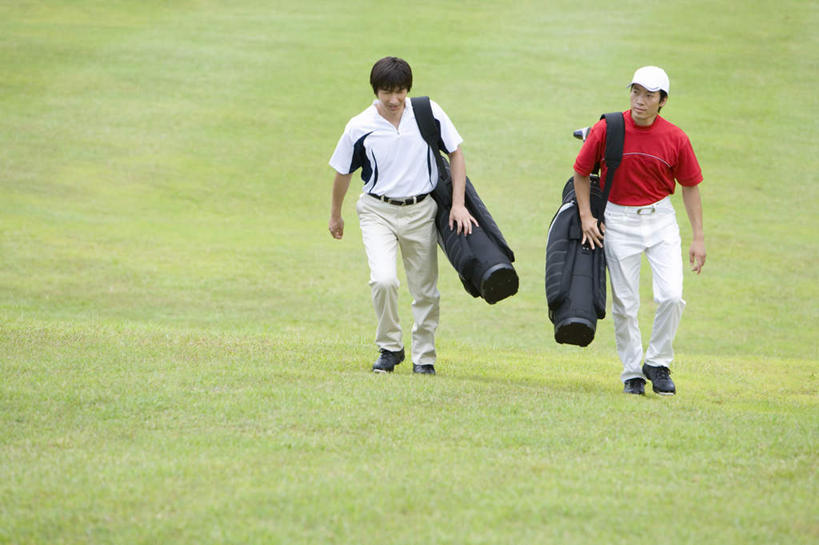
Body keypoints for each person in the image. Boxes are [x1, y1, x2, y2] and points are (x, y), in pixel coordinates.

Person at [328, 56, 476, 375]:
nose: (394, 99)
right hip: (376, 210)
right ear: (376, 91)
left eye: (400, 91)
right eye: (387, 92)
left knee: (425, 290)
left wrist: (459, 204)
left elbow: (456, 152)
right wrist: (335, 216)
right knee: (383, 280)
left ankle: (424, 357)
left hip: (422, 211)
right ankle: (390, 347)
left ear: (408, 89)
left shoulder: (427, 112)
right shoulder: (359, 126)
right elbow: (343, 172)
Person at [572, 66, 706, 396]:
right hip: (618, 220)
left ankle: (657, 362)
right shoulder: (608, 128)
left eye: (649, 95)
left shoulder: (676, 138)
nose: (640, 100)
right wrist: (587, 217)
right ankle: (632, 371)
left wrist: (698, 236)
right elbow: (580, 172)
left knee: (672, 296)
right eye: (635, 92)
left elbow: (689, 186)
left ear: (663, 101)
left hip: (661, 219)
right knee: (625, 304)